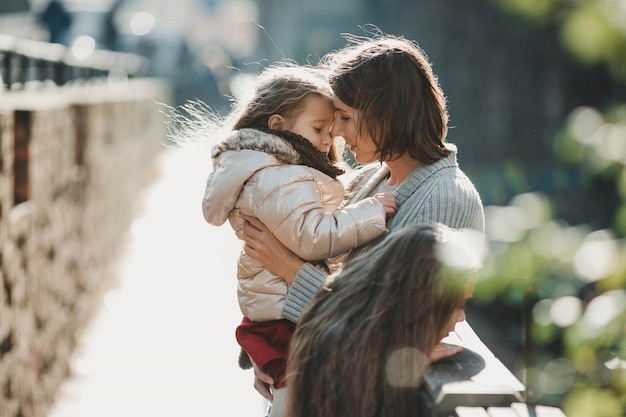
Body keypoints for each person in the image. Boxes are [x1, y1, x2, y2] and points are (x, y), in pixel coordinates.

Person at [240, 31, 485, 401]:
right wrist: (270, 358)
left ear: (386, 115)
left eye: (345, 118)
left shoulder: (445, 198)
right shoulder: (371, 179)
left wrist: (289, 268)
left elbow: (386, 325)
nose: (336, 132)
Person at [198, 63, 398, 416]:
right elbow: (313, 236)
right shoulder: (281, 176)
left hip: (280, 311)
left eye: (332, 132)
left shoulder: (270, 167)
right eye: (319, 129)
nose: (327, 141)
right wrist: (370, 213)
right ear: (277, 125)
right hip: (287, 316)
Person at [285, 223, 482, 417]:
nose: (461, 317)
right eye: (456, 304)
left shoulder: (340, 314)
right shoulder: (340, 343)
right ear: (421, 298)